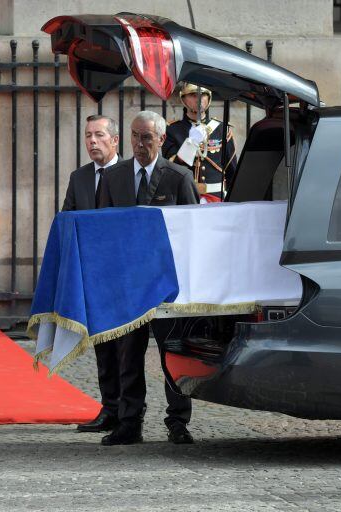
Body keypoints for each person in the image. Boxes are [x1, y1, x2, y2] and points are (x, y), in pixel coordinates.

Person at [98, 110, 199, 446]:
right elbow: (104, 232)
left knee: (171, 353)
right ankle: (129, 421)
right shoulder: (114, 178)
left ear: (161, 140)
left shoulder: (178, 178)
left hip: (166, 285)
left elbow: (193, 234)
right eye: (135, 136)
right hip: (129, 286)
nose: (139, 144)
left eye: (147, 138)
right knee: (128, 354)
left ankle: (178, 421)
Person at [62, 115, 122, 433]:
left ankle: (129, 410)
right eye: (88, 136)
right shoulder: (80, 177)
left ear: (115, 140)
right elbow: (67, 220)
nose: (92, 141)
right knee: (102, 345)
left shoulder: (128, 175)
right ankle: (109, 407)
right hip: (94, 275)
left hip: (123, 277)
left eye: (99, 135)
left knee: (126, 347)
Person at [162, 83, 237, 199]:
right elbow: (171, 168)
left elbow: (232, 171)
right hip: (185, 197)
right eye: (193, 95)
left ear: (209, 98)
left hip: (216, 198)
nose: (199, 99)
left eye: (203, 95)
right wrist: (191, 143)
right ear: (183, 99)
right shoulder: (172, 130)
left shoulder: (222, 129)